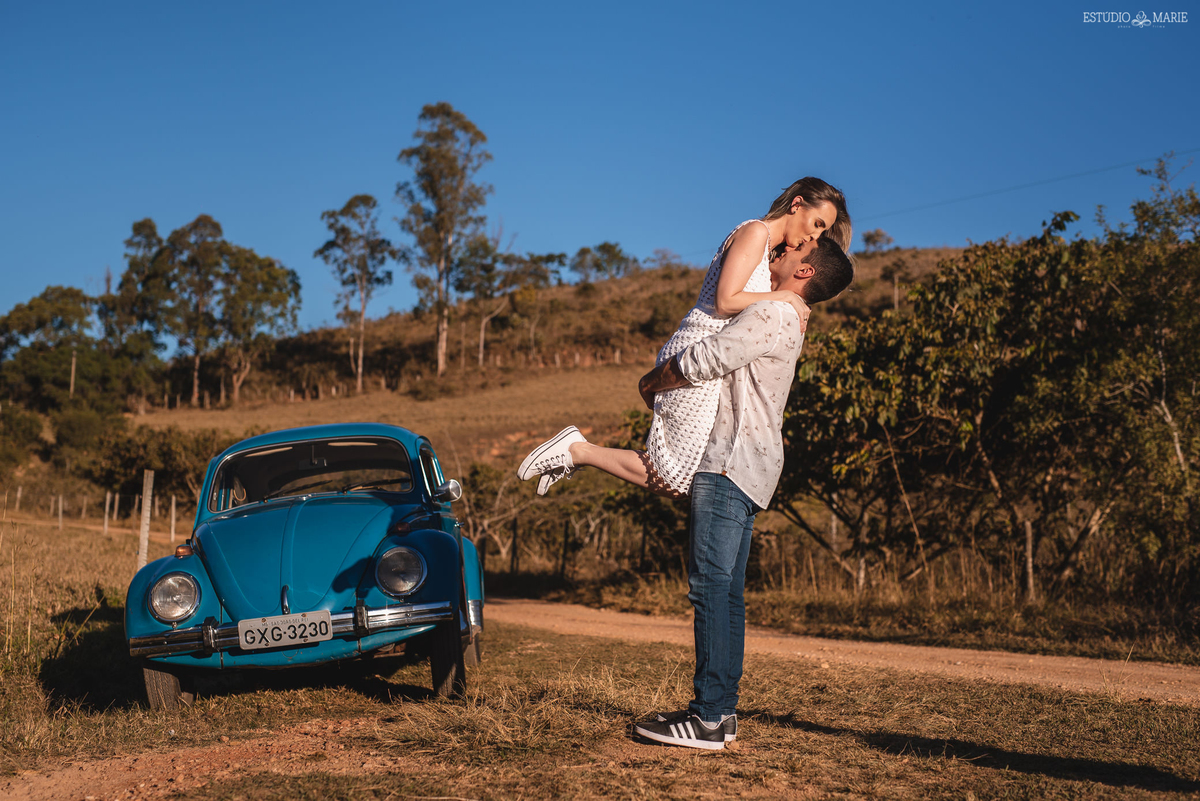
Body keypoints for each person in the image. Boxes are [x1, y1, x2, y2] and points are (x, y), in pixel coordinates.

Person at [629, 239, 854, 750]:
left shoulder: (774, 313)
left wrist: (652, 381)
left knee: (710, 589)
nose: (789, 246)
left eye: (804, 246)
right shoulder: (786, 314)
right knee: (727, 593)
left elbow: (709, 358)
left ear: (805, 269)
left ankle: (707, 718)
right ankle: (720, 714)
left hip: (728, 462)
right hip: (752, 465)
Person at [517, 177, 850, 496]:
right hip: (697, 349)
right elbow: (725, 300)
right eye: (818, 223)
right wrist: (787, 298)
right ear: (796, 205)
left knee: (684, 480)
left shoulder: (767, 250)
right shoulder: (755, 232)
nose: (813, 236)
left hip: (709, 363)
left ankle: (579, 451)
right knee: (676, 478)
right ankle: (577, 451)